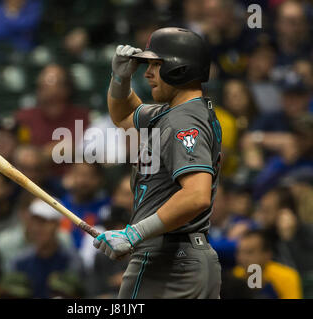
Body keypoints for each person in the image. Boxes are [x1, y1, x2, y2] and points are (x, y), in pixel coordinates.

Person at [92, 28, 222, 298]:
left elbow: (197, 195)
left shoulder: (184, 121)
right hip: (185, 259)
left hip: (168, 262)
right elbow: (123, 115)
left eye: (155, 64)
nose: (148, 73)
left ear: (179, 68)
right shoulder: (177, 112)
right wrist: (120, 79)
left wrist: (133, 234)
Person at [12, 199, 83, 299]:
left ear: (57, 225)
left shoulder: (71, 260)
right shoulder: (20, 262)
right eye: (33, 223)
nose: (37, 228)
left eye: (43, 222)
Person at [233, 229, 302, 299]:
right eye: (239, 252)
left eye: (249, 252)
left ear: (267, 255)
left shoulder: (286, 277)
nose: (242, 258)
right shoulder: (236, 275)